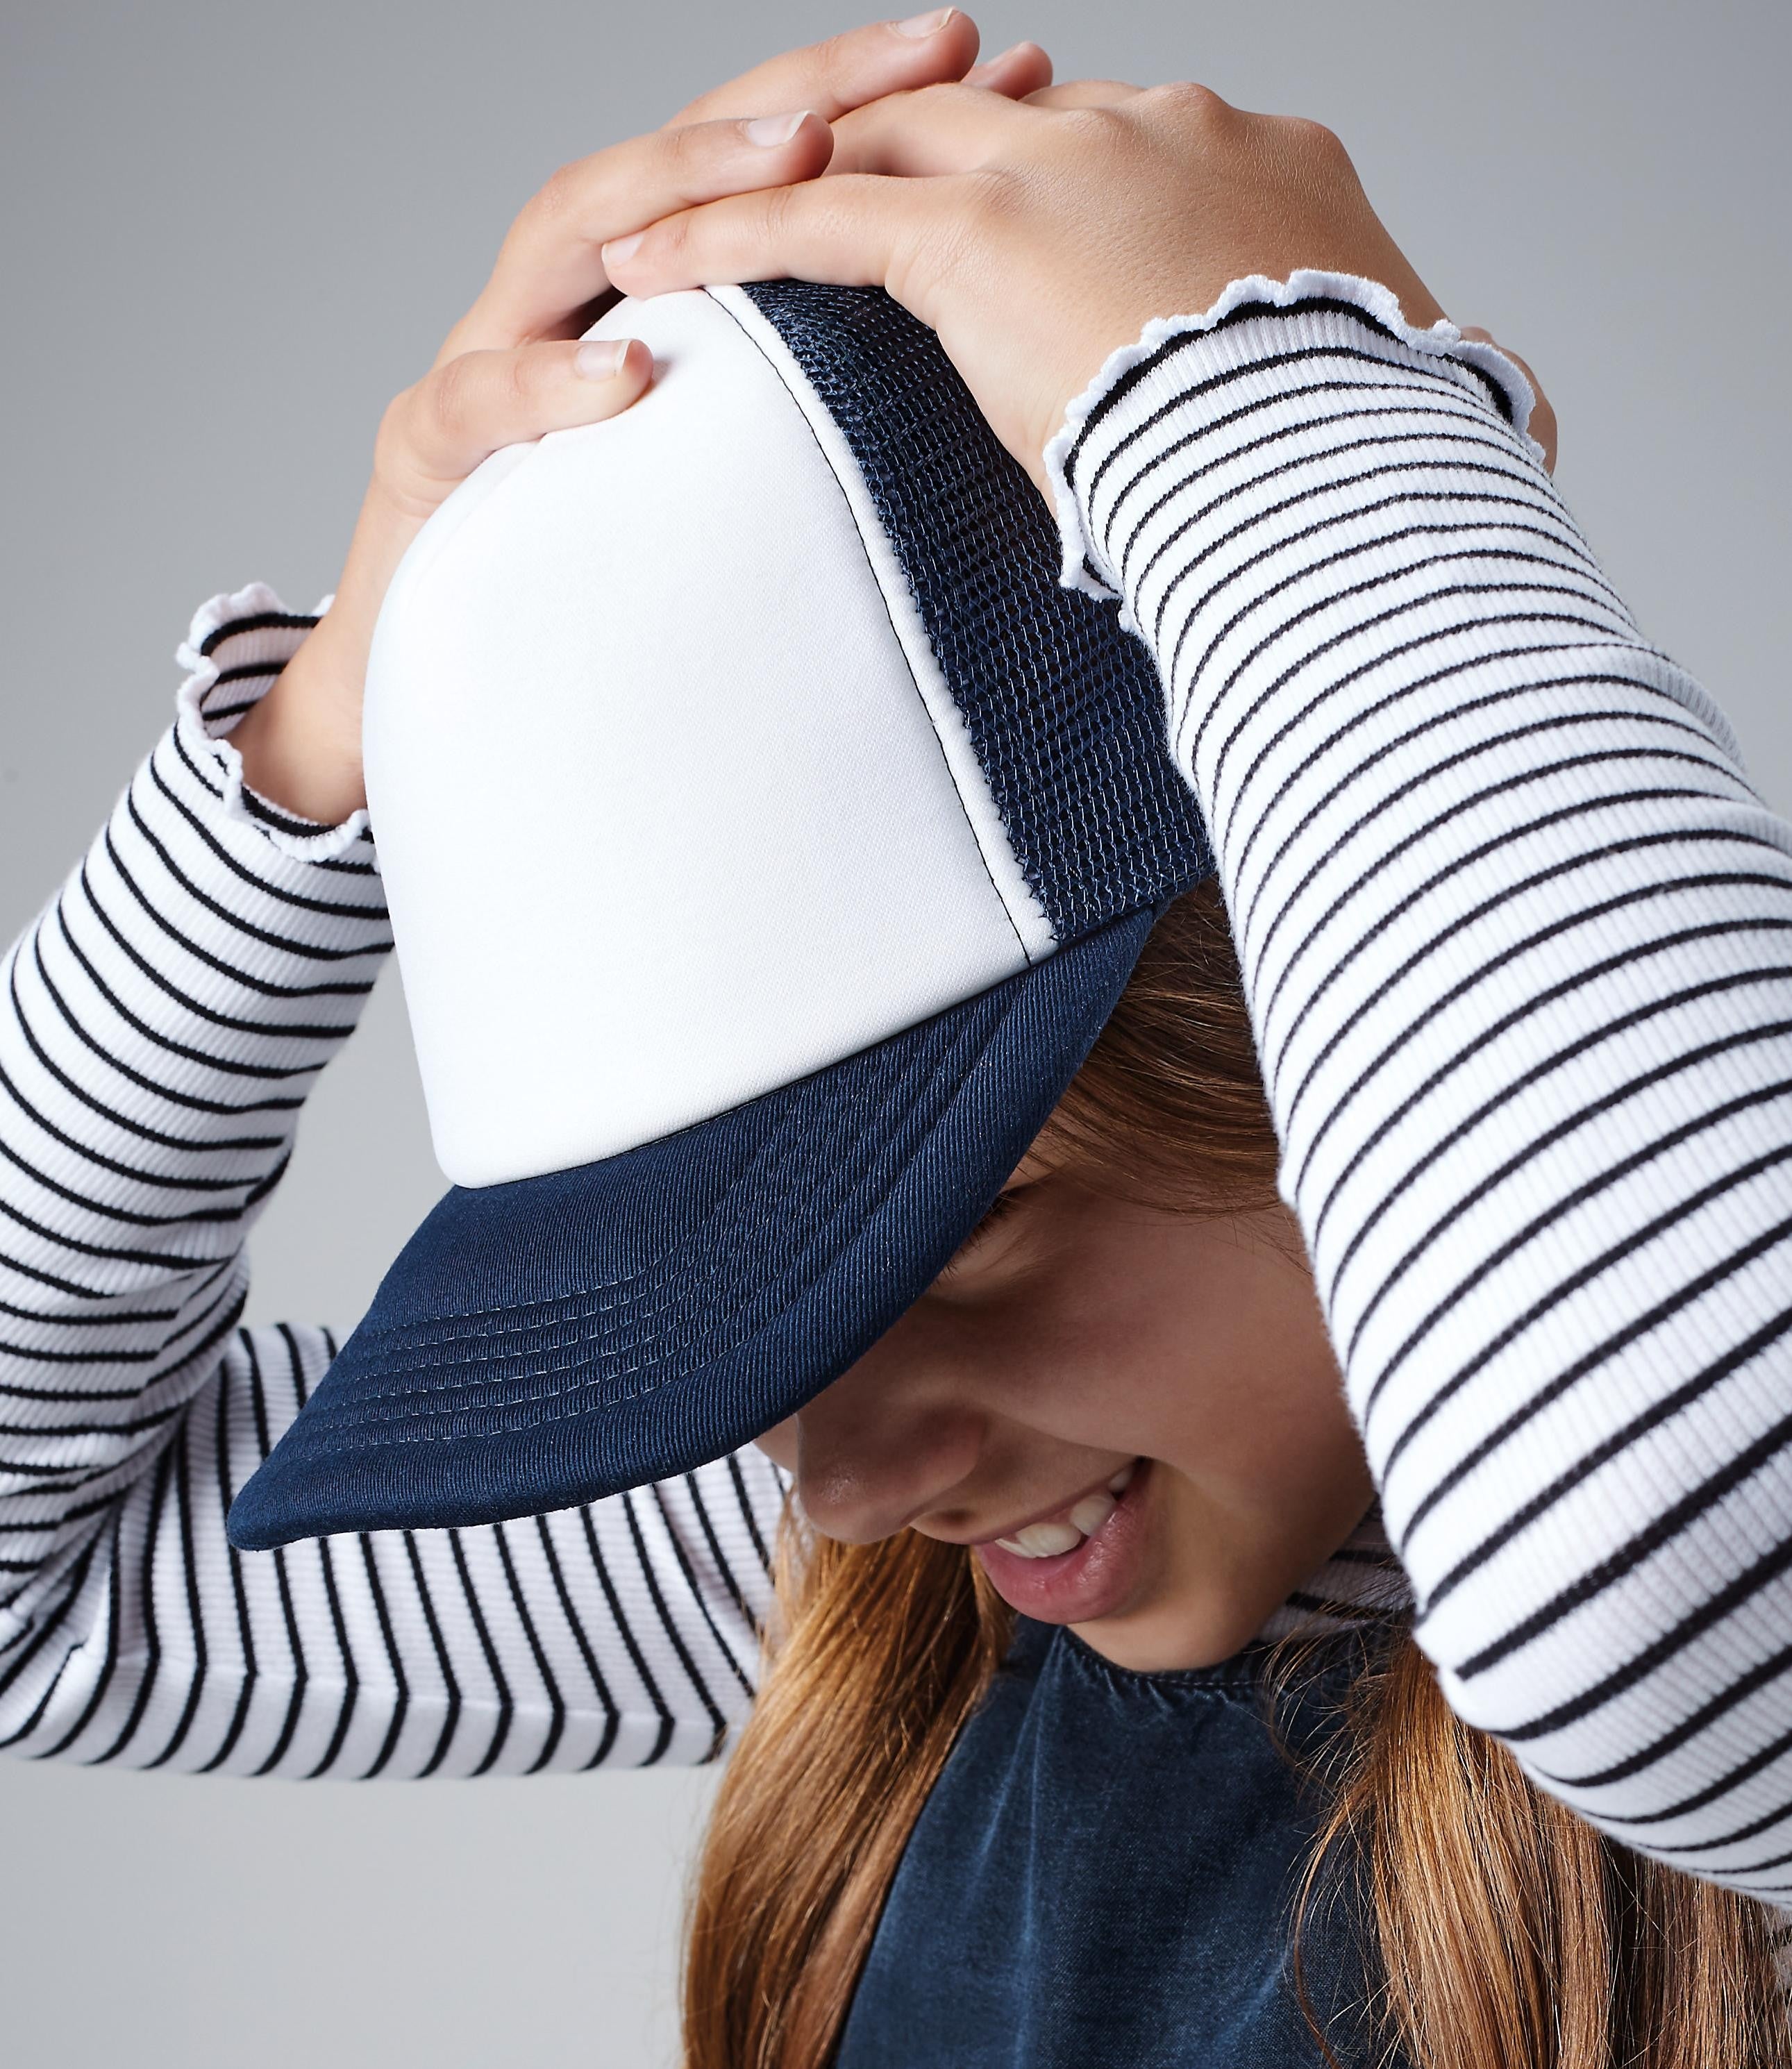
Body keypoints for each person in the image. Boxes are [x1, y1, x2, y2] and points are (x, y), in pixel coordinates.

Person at [3, 12, 1790, 2068]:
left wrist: (1284, 419)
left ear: (1304, 983)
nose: (841, 1478)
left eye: (952, 1247)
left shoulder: (1702, 1600)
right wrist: (332, 736)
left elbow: (1666, 1570)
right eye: (740, 1311)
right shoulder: (884, 1582)